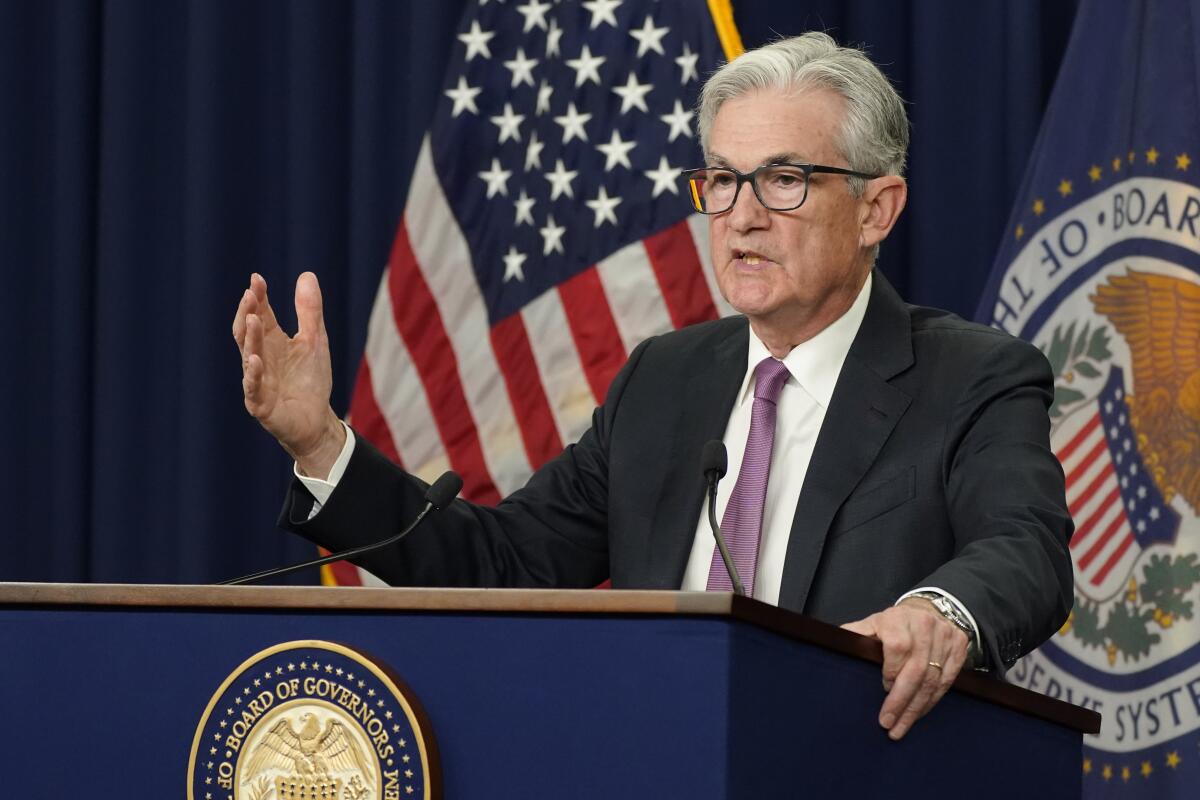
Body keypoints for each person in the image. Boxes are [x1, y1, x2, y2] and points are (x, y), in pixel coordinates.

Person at [233, 33, 1073, 742]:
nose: (742, 215)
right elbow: (505, 563)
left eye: (784, 180)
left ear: (876, 209)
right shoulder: (664, 381)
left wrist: (936, 612)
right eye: (722, 181)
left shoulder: (972, 377)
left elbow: (1027, 550)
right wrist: (320, 444)